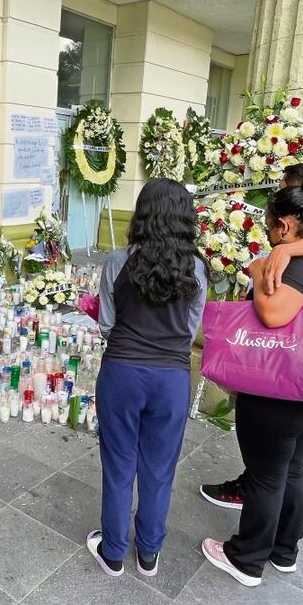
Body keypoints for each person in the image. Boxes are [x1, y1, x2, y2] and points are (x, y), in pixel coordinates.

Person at [201, 166, 303, 587]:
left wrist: (262, 271)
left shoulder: (292, 265)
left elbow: (274, 312)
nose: (265, 236)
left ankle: (245, 558)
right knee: (291, 468)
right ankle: (285, 550)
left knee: (265, 474)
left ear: (284, 226)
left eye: (267, 227)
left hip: (280, 394)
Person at [86, 178, 208, 577]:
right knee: (160, 469)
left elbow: (107, 325)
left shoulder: (118, 262)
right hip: (171, 378)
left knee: (119, 463)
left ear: (142, 214)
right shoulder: (198, 269)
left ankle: (114, 551)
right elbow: (191, 331)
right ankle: (150, 552)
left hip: (122, 372)